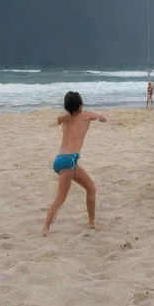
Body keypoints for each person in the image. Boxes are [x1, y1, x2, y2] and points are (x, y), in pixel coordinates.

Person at [42, 91, 106, 235]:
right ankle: (45, 228)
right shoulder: (86, 115)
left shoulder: (65, 118)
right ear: (81, 105)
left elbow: (55, 121)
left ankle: (91, 222)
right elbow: (102, 118)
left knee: (91, 188)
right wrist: (100, 118)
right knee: (60, 198)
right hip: (69, 160)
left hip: (60, 160)